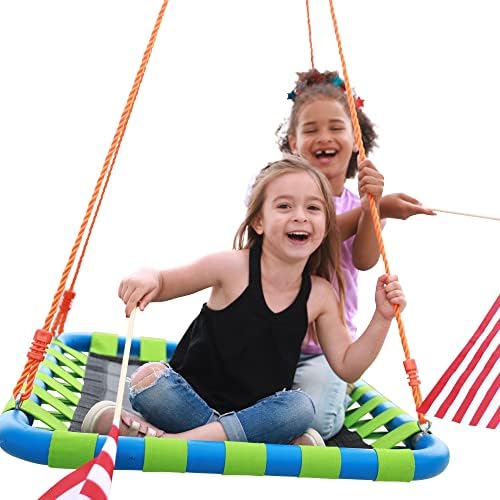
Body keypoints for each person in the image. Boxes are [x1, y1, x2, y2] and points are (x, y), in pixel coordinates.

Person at [81, 156, 406, 446]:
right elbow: (164, 281)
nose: (300, 216)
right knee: (149, 380)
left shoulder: (319, 294)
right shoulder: (231, 267)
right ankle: (228, 438)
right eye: (284, 206)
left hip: (256, 411)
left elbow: (348, 365)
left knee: (301, 407)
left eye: (313, 208)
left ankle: (169, 441)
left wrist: (381, 317)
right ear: (258, 221)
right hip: (189, 401)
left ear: (325, 226)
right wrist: (146, 276)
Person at [278, 69, 434, 441]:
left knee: (317, 415)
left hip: (325, 350)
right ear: (293, 142)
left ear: (355, 140)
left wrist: (372, 208)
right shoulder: (275, 193)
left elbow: (364, 259)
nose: (324, 137)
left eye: (336, 127)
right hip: (268, 337)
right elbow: (304, 237)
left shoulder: (359, 203)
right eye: (311, 130)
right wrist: (381, 207)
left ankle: (295, 431)